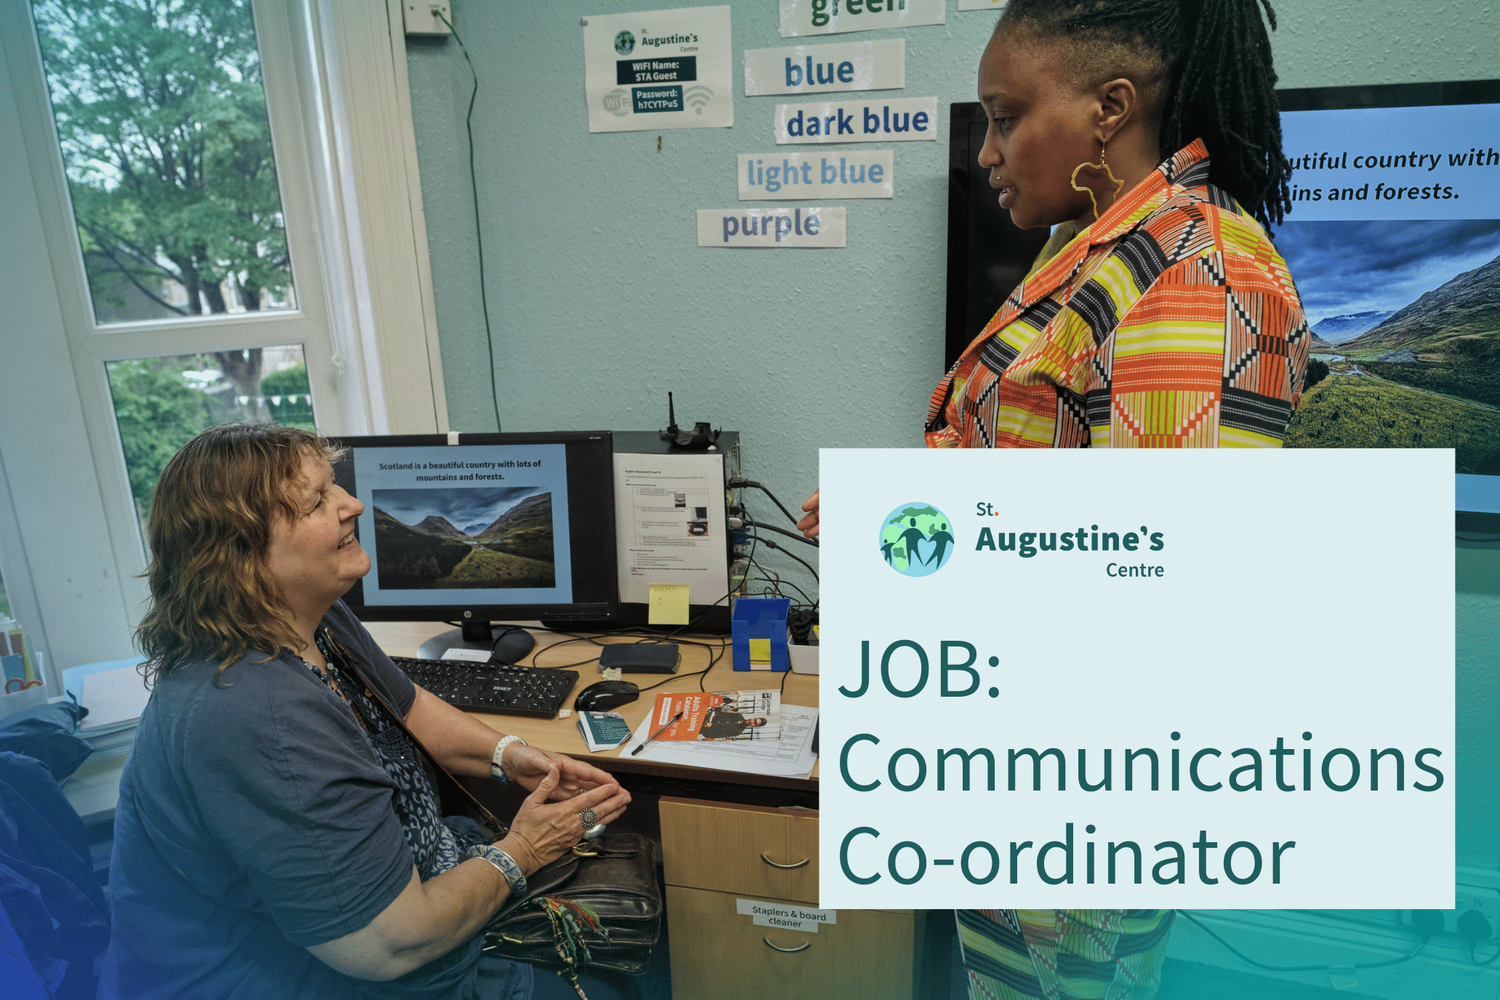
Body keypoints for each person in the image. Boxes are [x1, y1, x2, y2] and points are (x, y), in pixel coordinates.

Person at [799, 2, 1308, 996]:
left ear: (1111, 108)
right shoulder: (1105, 247)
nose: (986, 151)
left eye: (1004, 115)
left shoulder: (1194, 275)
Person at [99, 423, 633, 1000]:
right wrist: (524, 850)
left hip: (402, 922)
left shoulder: (311, 619)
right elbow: (388, 945)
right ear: (243, 556)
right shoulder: (258, 713)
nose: (353, 504)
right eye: (318, 501)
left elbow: (411, 708)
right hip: (308, 974)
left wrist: (510, 756)